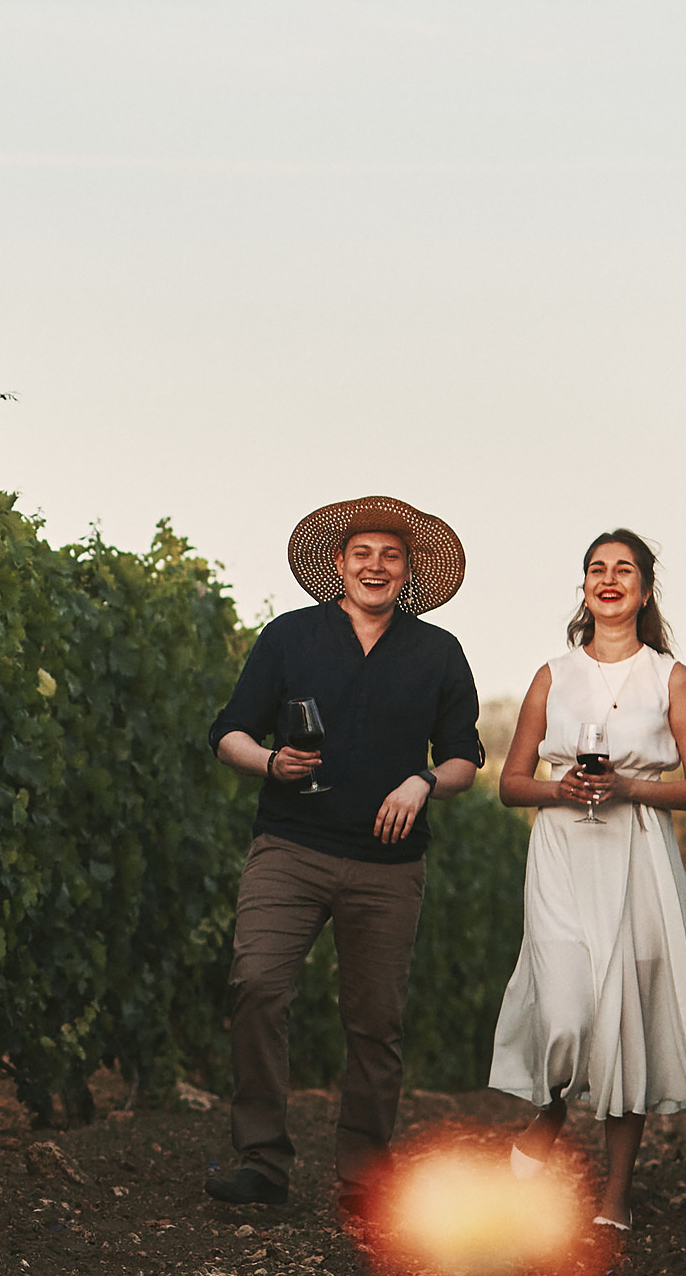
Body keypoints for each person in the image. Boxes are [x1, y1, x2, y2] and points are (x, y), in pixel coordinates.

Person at [203, 496, 485, 1208]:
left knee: (375, 1021)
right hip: (290, 845)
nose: (375, 565)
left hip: (389, 864)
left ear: (409, 571)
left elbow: (463, 760)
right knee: (258, 984)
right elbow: (230, 731)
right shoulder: (290, 637)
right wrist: (271, 764)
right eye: (362, 553)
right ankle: (263, 1161)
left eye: (391, 555)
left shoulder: (438, 652)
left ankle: (364, 1174)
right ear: (338, 564)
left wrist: (423, 781)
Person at [490, 528, 686, 1231]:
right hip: (563, 852)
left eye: (624, 569)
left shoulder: (671, 677)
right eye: (597, 568)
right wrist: (555, 791)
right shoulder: (552, 675)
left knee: (626, 1017)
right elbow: (508, 782)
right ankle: (554, 1108)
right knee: (566, 1009)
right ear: (585, 587)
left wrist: (629, 787)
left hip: (639, 855)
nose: (609, 578)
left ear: (645, 590)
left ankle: (615, 1195)